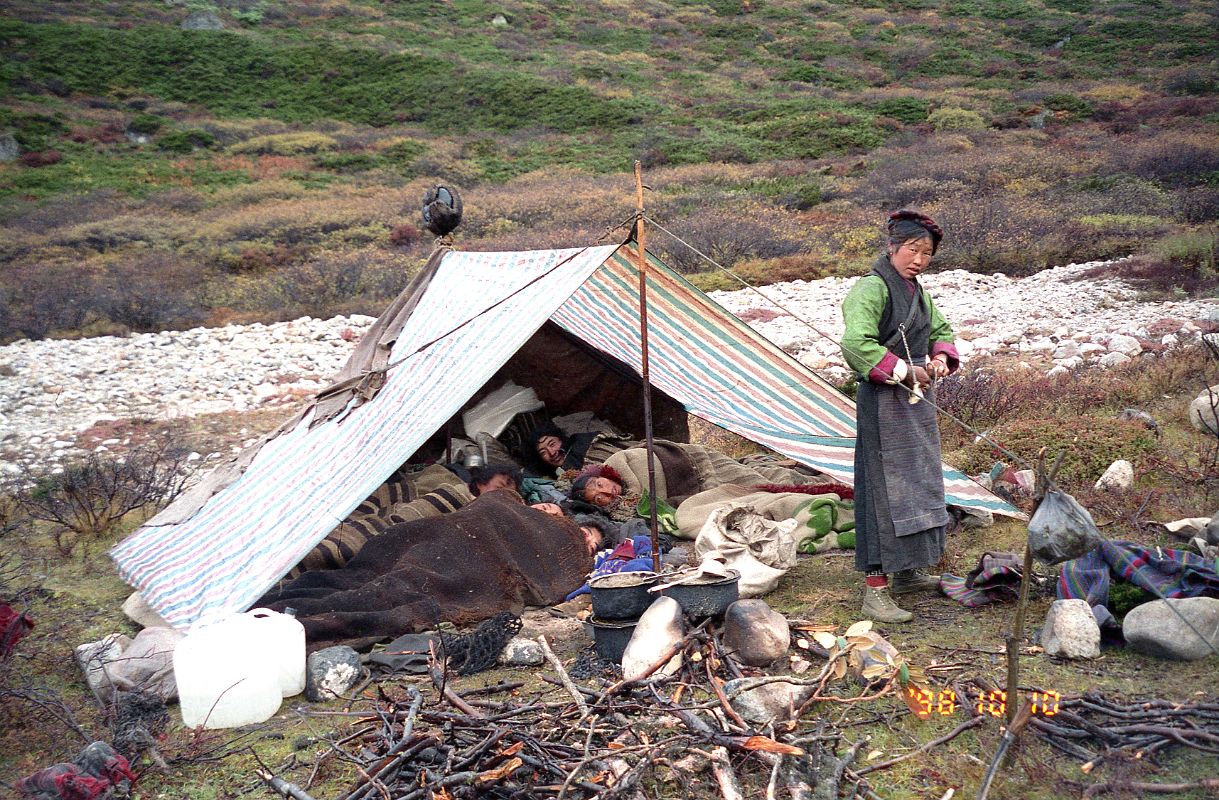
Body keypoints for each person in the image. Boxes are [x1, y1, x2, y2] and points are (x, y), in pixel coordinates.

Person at [839, 209, 959, 623]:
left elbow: (941, 328)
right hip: (883, 401)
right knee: (882, 489)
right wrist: (907, 370)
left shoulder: (919, 292)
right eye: (912, 250)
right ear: (892, 248)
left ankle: (907, 573)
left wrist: (941, 356)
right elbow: (856, 342)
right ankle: (876, 590)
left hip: (917, 400)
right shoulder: (870, 289)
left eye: (927, 253)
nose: (919, 260)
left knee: (918, 481)